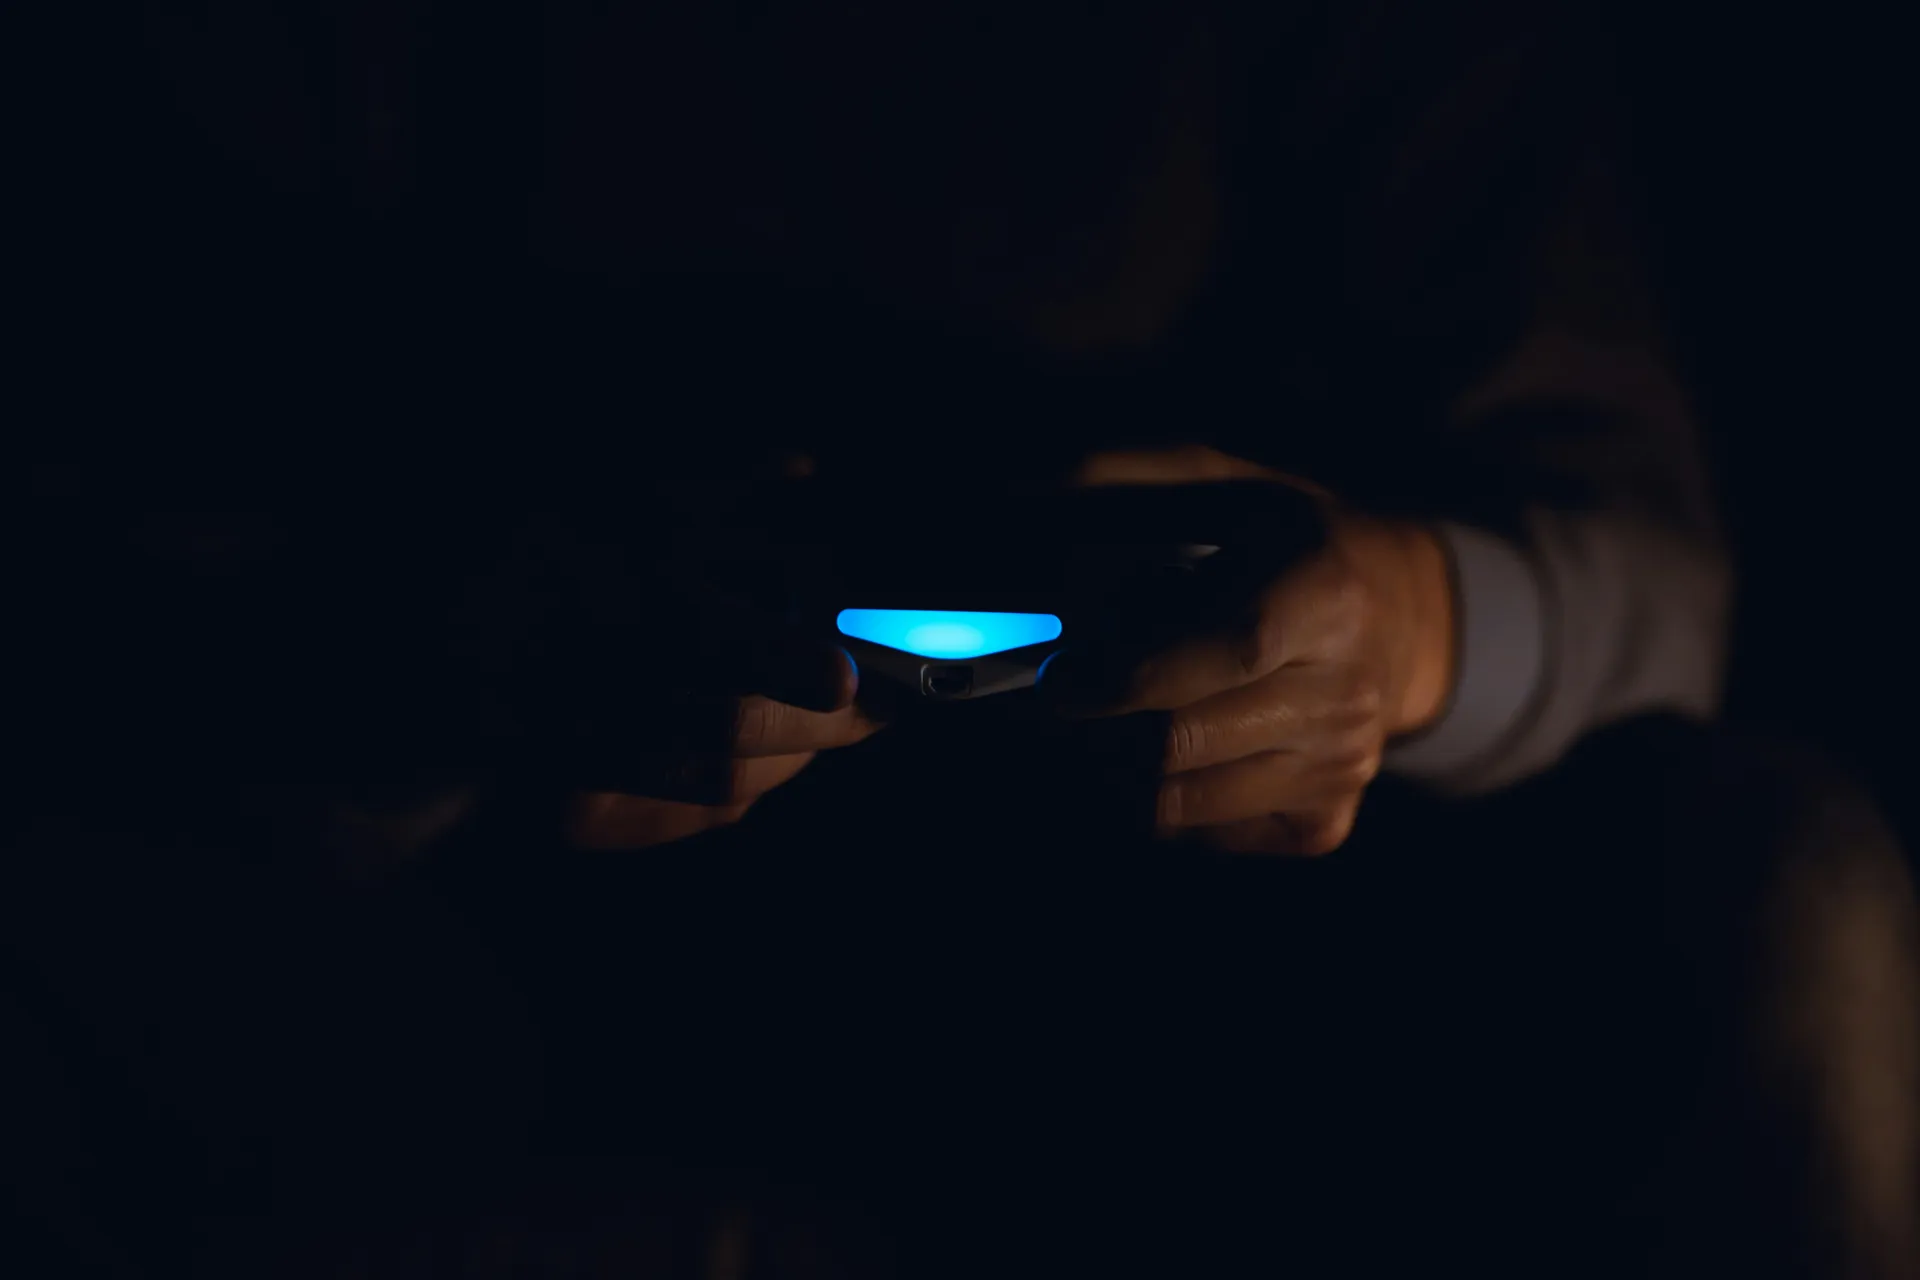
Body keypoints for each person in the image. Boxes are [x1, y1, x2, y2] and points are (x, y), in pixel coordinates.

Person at [8, 1, 1917, 1276]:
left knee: (1802, 900)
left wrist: (1399, 623)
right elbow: (120, 530)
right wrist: (451, 658)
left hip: (1234, 964)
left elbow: (1659, 586)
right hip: (482, 949)